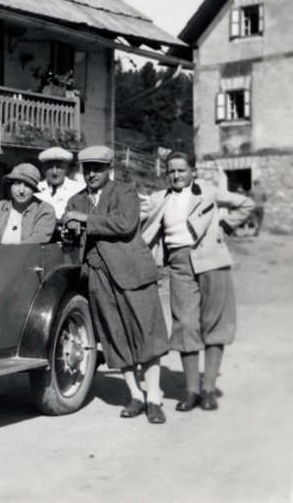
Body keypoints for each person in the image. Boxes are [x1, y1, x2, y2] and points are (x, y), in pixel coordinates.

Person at [61, 145, 169, 424]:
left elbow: (124, 224)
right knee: (114, 336)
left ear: (110, 169)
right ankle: (135, 395)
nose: (92, 173)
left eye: (98, 168)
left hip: (132, 272)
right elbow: (72, 235)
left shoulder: (125, 192)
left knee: (146, 333)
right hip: (97, 276)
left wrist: (84, 220)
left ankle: (155, 396)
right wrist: (69, 228)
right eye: (87, 168)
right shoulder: (75, 200)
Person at [141, 151, 254, 412]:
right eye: (171, 171)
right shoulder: (159, 199)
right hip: (179, 265)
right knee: (185, 325)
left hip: (212, 260)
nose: (176, 175)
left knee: (214, 322)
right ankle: (191, 391)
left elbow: (245, 204)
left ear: (193, 171)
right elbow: (135, 217)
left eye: (181, 170)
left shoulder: (209, 191)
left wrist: (225, 226)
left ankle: (208, 389)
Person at [0, 163, 56, 244]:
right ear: (10, 186)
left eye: (27, 185)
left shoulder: (45, 210)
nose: (21, 191)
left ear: (33, 189)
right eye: (17, 183)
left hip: (29, 256)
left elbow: (36, 242)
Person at [36, 146, 86, 220]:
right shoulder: (36, 189)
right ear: (43, 169)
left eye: (59, 167)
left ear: (67, 169)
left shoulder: (79, 189)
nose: (54, 172)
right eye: (50, 167)